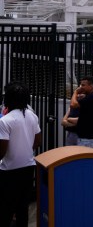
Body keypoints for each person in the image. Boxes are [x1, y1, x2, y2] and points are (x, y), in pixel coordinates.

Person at [0, 82, 42, 227]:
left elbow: (2, 150)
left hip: (8, 170)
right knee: (22, 208)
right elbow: (38, 141)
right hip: (28, 167)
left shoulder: (5, 121)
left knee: (6, 208)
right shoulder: (32, 116)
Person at [70, 76, 93, 149]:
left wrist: (75, 92)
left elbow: (73, 104)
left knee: (85, 159)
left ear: (91, 86)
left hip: (87, 139)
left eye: (83, 85)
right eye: (81, 85)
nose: (81, 87)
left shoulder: (92, 97)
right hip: (87, 137)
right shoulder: (91, 96)